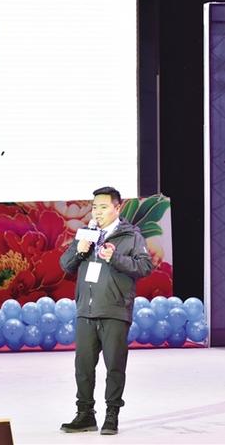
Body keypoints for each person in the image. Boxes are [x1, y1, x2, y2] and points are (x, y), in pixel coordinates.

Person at [59, 186, 153, 435]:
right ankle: (85, 415)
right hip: (85, 311)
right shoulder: (86, 234)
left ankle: (112, 415)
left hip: (115, 310)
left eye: (103, 207)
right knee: (83, 367)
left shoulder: (131, 236)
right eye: (94, 207)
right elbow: (65, 265)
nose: (97, 212)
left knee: (114, 366)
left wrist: (115, 258)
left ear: (117, 208)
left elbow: (145, 267)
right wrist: (79, 251)